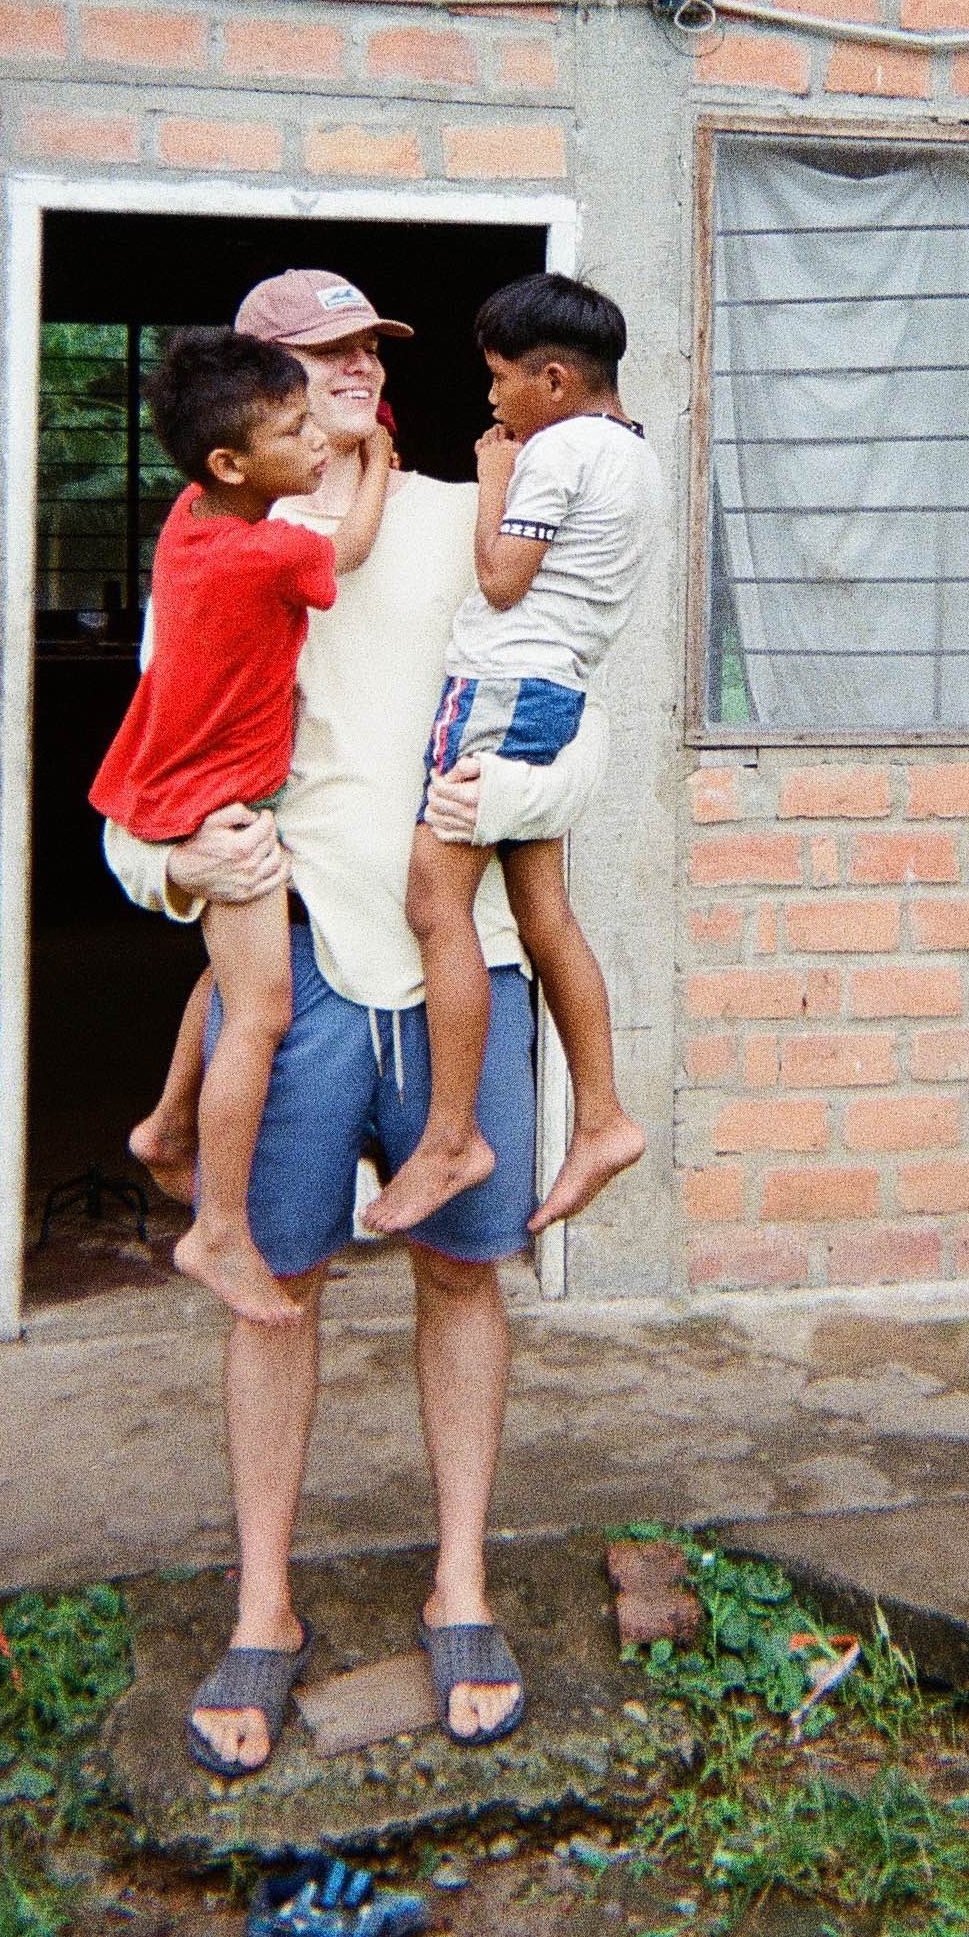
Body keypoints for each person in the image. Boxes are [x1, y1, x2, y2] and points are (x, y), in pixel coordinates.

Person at [104, 269, 584, 1771]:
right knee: (278, 1291)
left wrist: (513, 797)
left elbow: (578, 732)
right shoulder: (227, 542)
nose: (352, 376)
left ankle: (461, 1580)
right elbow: (146, 779)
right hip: (299, 972)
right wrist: (176, 865)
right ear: (260, 400)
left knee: (462, 1276)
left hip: (470, 973)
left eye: (366, 350)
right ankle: (263, 1609)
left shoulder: (470, 530)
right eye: (316, 360)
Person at [91, 327, 396, 1330]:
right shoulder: (265, 552)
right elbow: (343, 548)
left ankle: (167, 1127)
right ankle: (217, 1227)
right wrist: (380, 456)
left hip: (183, 782)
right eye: (292, 429)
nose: (316, 444)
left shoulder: (190, 519)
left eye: (317, 424)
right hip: (224, 807)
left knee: (228, 981)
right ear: (230, 463)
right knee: (260, 1016)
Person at [361, 274, 659, 1243]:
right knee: (541, 912)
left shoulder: (556, 451)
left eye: (499, 381)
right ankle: (603, 1115)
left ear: (557, 379)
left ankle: (450, 1136)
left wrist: (493, 482)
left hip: (500, 690)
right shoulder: (631, 452)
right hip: (554, 694)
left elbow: (499, 581)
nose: (491, 401)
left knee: (430, 899)